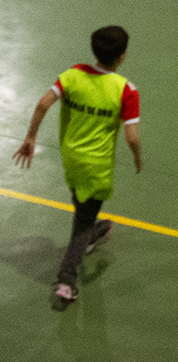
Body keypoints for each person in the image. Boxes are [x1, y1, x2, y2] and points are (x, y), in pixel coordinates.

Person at [14, 25, 142, 306]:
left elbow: (42, 104)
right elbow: (132, 137)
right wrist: (137, 157)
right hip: (96, 168)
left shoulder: (72, 75)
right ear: (121, 57)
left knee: (86, 212)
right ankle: (66, 279)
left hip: (71, 160)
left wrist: (31, 137)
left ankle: (97, 230)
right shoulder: (126, 91)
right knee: (82, 222)